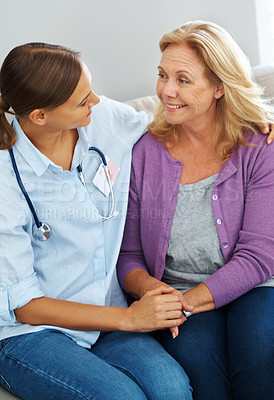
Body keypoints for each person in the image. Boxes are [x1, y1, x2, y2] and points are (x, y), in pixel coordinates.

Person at [0, 43, 194, 400]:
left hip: (106, 314)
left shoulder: (103, 121)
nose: (96, 101)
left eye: (90, 89)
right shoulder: (6, 179)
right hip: (31, 332)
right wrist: (132, 320)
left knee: (173, 390)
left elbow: (172, 119)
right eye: (82, 100)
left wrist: (249, 123)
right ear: (40, 115)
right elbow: (25, 306)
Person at [117, 21, 274, 400]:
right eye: (162, 75)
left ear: (220, 86)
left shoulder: (258, 145)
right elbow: (129, 257)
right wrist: (156, 293)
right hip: (178, 293)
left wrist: (189, 301)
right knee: (203, 376)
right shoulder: (142, 152)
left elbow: (260, 255)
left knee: (260, 360)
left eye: (183, 80)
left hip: (254, 287)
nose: (166, 91)